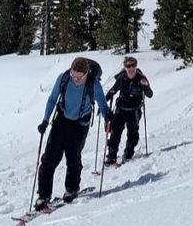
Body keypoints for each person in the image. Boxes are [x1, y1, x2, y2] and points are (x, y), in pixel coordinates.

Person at [35, 57, 110, 210]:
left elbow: (102, 103)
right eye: (73, 76)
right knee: (49, 159)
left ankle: (72, 189)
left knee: (73, 158)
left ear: (86, 74)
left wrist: (107, 117)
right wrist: (44, 121)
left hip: (80, 125)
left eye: (79, 77)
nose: (76, 80)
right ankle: (43, 196)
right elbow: (52, 100)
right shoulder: (63, 79)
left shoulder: (93, 84)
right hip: (61, 121)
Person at [104, 56, 153, 166]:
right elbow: (113, 90)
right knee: (115, 133)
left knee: (132, 133)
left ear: (136, 66)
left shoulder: (141, 78)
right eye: (128, 66)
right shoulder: (122, 78)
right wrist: (104, 102)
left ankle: (128, 154)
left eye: (133, 66)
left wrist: (146, 86)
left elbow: (150, 94)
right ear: (125, 67)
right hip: (121, 109)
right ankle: (111, 157)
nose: (131, 68)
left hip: (134, 111)